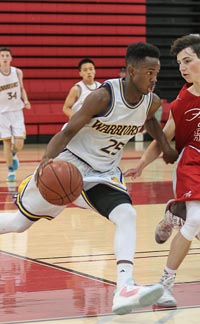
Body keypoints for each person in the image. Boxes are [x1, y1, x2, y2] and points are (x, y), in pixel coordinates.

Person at [0, 42, 178, 315]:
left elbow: (150, 122)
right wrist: (45, 162)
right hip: (70, 167)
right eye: (149, 72)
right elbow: (68, 131)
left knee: (127, 214)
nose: (154, 79)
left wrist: (165, 147)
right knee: (18, 223)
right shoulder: (103, 97)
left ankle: (124, 288)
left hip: (104, 173)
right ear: (131, 71)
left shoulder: (150, 101)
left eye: (157, 73)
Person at [125, 35, 200, 308]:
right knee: (196, 220)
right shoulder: (183, 102)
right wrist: (142, 163)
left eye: (188, 61)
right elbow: (164, 138)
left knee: (197, 224)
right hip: (192, 163)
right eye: (180, 62)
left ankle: (173, 213)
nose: (182, 67)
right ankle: (164, 285)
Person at [0, 47, 31, 182]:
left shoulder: (17, 72)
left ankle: (14, 154)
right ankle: (10, 170)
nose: (5, 58)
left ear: (11, 58)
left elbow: (22, 88)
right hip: (2, 112)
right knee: (6, 141)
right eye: (2, 56)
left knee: (19, 144)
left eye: (7, 55)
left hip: (16, 111)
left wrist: (26, 100)